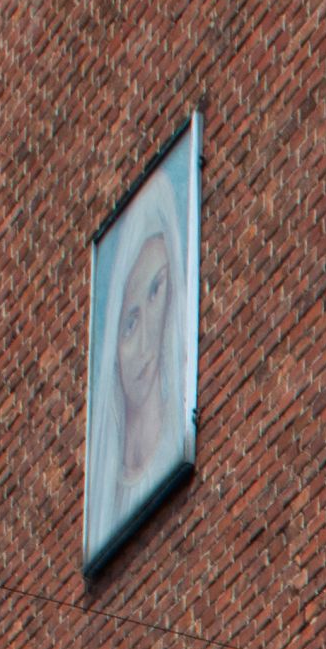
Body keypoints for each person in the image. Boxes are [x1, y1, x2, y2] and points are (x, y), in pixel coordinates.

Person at [85, 163, 189, 556]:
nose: (145, 339)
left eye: (156, 290)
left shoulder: (176, 438)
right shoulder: (106, 488)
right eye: (129, 323)